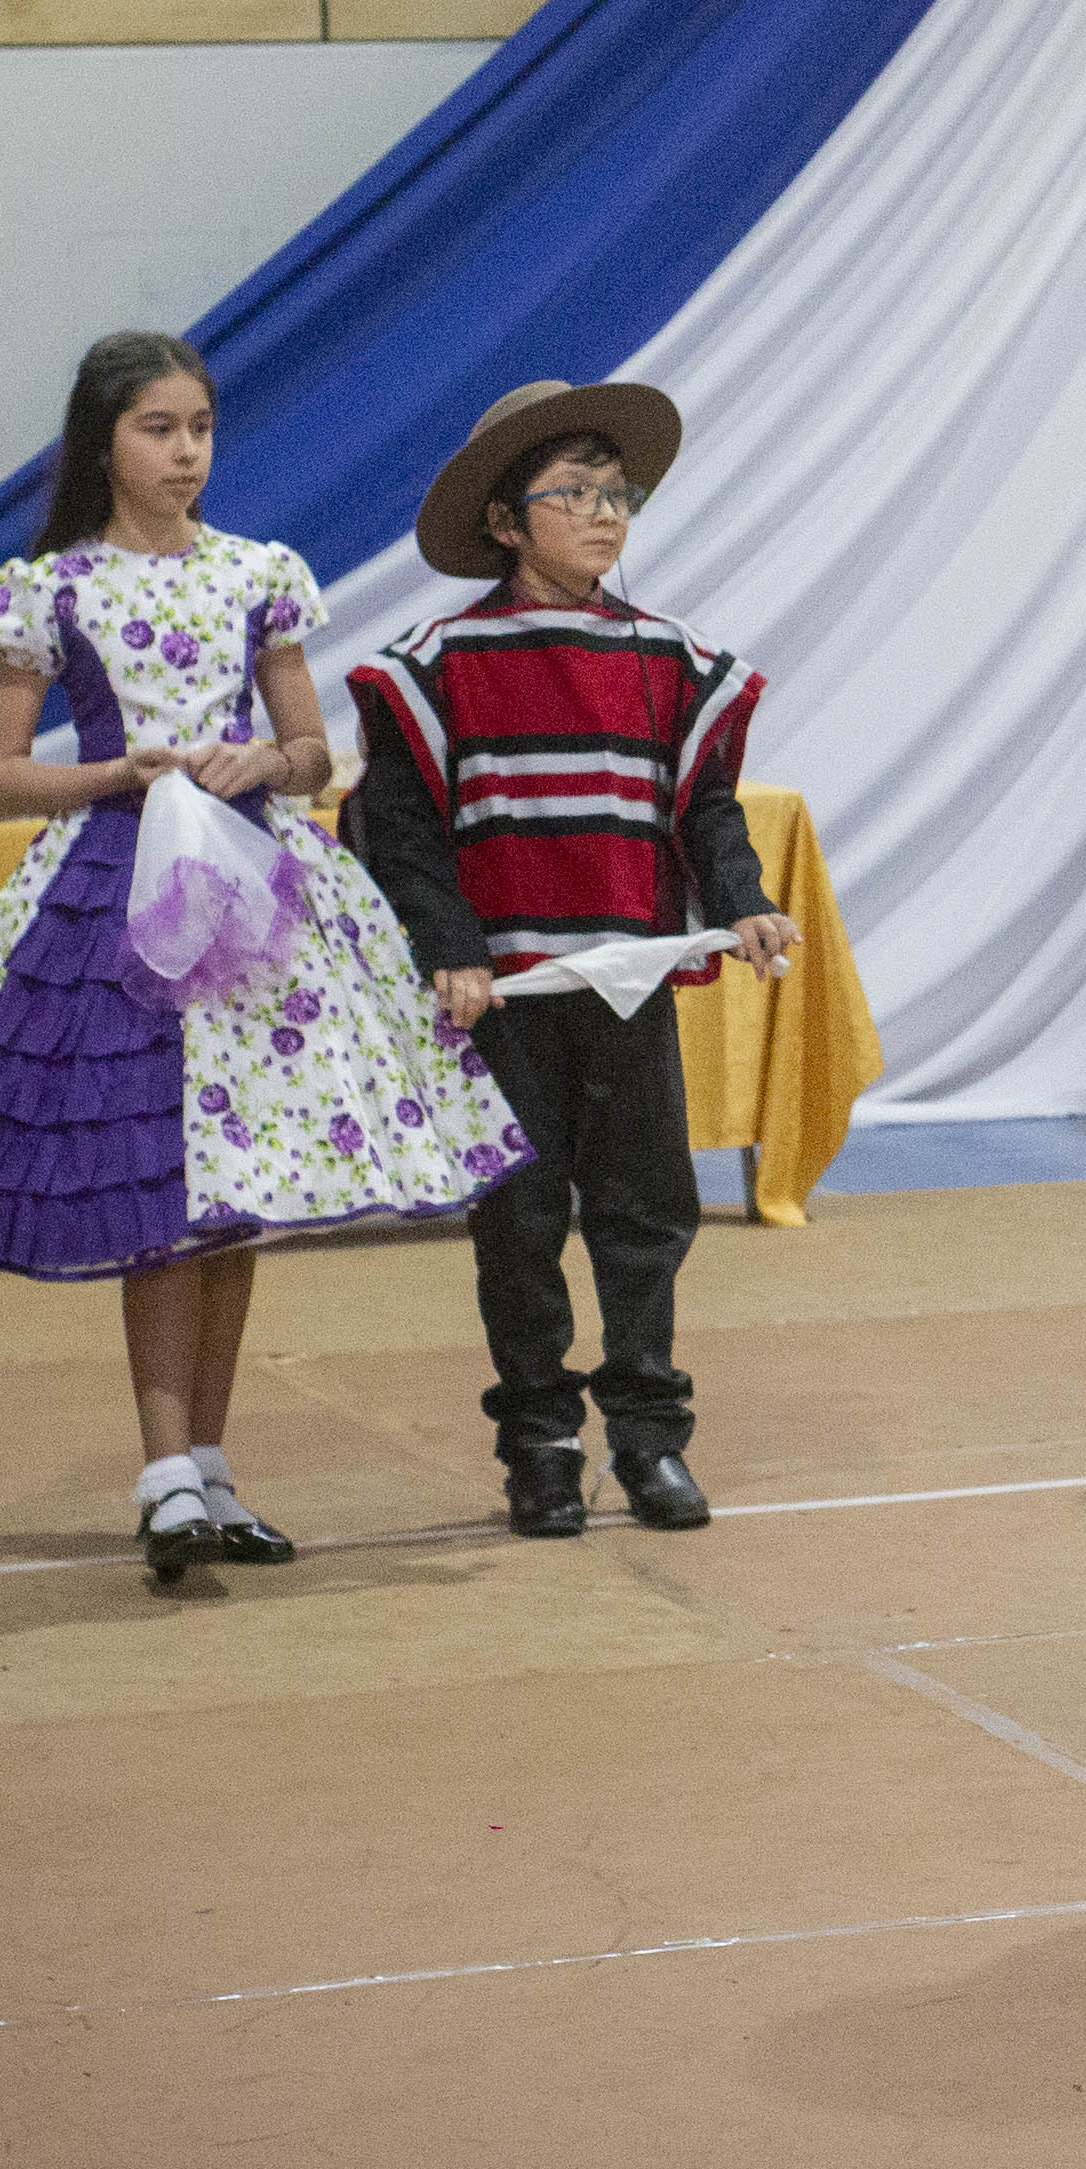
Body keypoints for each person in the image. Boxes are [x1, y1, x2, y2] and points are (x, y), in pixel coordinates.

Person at [0, 334, 523, 1577]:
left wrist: (262, 762)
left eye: (199, 427)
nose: (186, 452)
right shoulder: (51, 589)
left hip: (254, 891)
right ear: (102, 443)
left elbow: (313, 753)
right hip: (115, 895)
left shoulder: (258, 573)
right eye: (158, 429)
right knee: (158, 1187)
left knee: (231, 1198)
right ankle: (164, 1472)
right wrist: (116, 773)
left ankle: (209, 1469)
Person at [346, 381, 790, 1542]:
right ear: (505, 522)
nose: (604, 514)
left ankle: (650, 1437)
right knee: (520, 1218)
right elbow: (398, 829)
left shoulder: (671, 659)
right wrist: (450, 950)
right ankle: (539, 1442)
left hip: (626, 984)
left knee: (648, 1213)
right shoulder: (436, 664)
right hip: (506, 998)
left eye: (615, 493)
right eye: (573, 494)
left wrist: (744, 902)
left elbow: (706, 809)